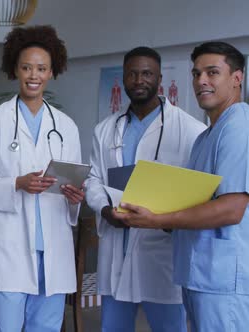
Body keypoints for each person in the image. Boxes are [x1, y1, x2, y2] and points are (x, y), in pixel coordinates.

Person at [114, 41, 249, 331]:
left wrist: (157, 219)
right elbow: (197, 199)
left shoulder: (240, 126)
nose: (201, 81)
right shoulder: (206, 136)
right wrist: (155, 212)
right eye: (196, 73)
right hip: (199, 273)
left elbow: (232, 209)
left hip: (223, 278)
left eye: (212, 73)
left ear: (237, 78)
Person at [0, 25, 84, 332]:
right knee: (7, 327)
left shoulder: (66, 126)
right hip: (11, 243)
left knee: (46, 328)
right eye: (27, 67)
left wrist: (75, 196)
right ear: (15, 70)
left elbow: (72, 176)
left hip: (54, 243)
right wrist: (16, 184)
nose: (34, 75)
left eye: (41, 68)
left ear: (51, 72)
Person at [84, 46, 205, 332]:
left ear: (159, 78)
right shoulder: (105, 130)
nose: (139, 80)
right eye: (133, 74)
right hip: (117, 245)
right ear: (123, 79)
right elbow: (92, 179)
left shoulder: (190, 129)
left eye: (147, 73)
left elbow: (198, 191)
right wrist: (104, 209)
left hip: (161, 251)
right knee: (114, 327)